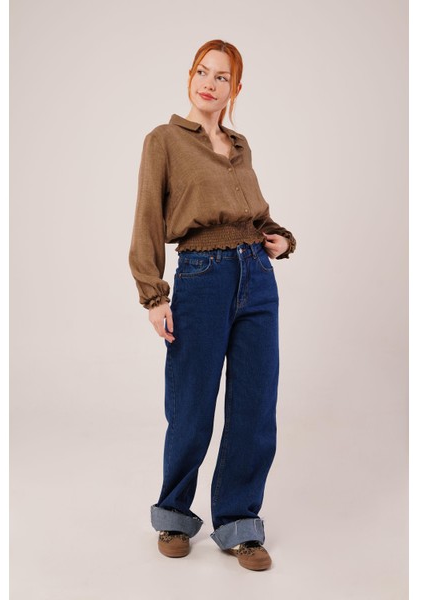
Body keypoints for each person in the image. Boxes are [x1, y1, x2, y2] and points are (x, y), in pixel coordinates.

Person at [128, 39, 296, 571]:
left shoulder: (240, 146)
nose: (210, 83)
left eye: (222, 77)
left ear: (235, 88)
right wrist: (153, 294)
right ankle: (174, 516)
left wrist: (280, 239)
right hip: (201, 277)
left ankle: (239, 523)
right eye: (203, 72)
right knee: (191, 405)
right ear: (190, 76)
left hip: (257, 278)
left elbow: (256, 215)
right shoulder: (164, 140)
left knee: (254, 406)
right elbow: (147, 218)